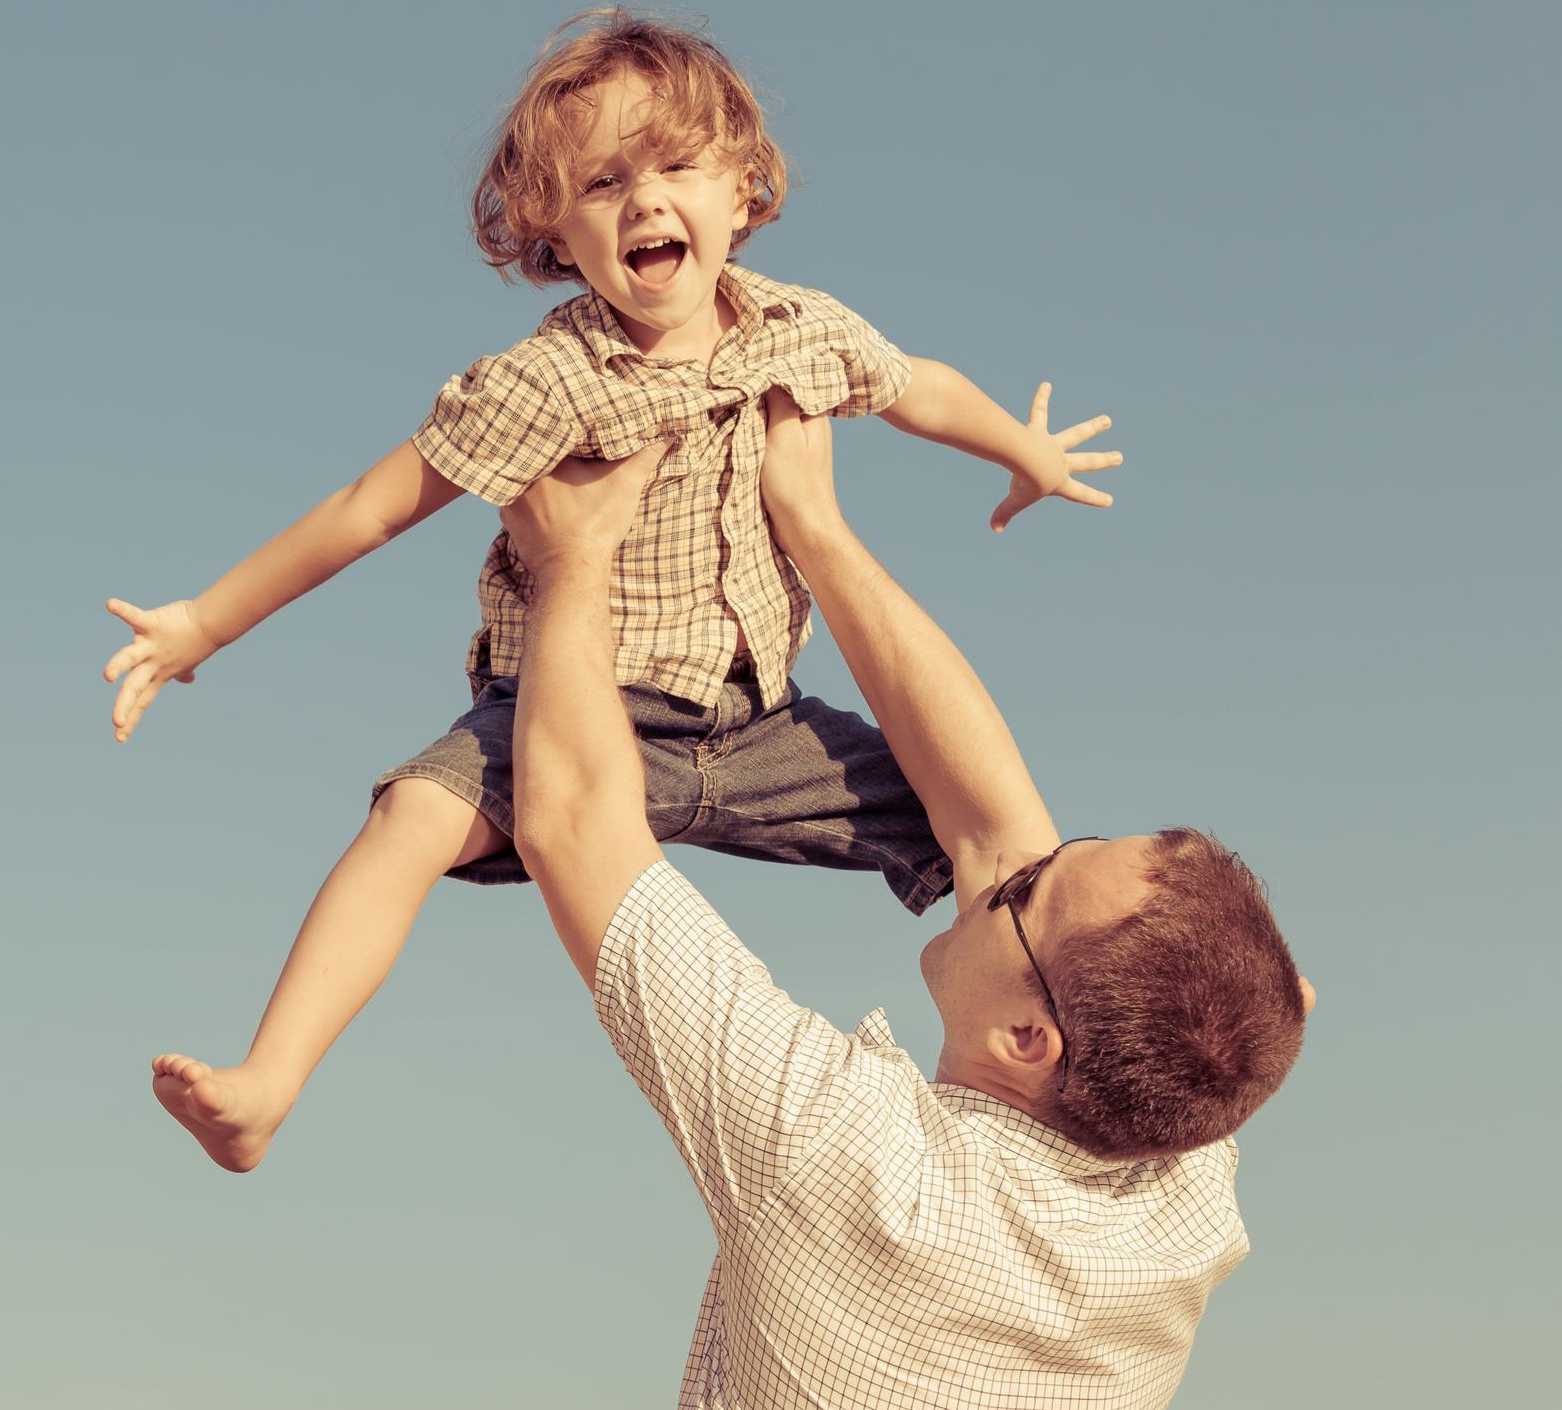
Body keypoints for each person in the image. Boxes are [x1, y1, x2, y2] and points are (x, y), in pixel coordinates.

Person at [110, 10, 1119, 1173]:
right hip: (574, 713)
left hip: (758, 722)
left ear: (743, 189)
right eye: (602, 182)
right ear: (553, 233)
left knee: (990, 839)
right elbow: (370, 505)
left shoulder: (798, 330)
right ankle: (267, 1085)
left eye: (676, 166)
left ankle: (1077, 1066)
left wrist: (1020, 452)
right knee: (408, 818)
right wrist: (204, 622)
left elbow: (915, 385)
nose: (644, 202)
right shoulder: (545, 381)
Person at [501, 391, 1313, 1409]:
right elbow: (995, 829)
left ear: (1028, 1040)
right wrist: (813, 527)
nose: (1022, 850)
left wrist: (570, 565)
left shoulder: (842, 1159)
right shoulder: (1182, 1190)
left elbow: (573, 820)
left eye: (1025, 890)